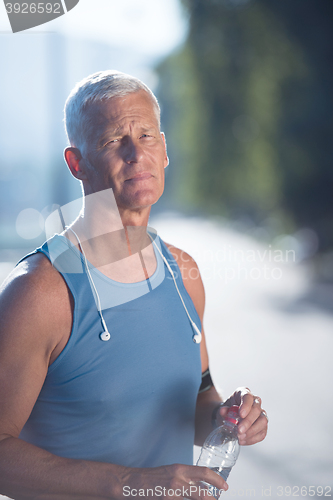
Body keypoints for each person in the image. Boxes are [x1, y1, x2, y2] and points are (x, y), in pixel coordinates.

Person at [0, 71, 268, 500]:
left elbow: (198, 397)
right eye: (112, 141)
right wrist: (132, 484)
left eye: (146, 136)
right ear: (77, 163)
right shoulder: (39, 293)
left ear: (164, 151)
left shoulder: (184, 271)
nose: (135, 153)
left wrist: (227, 417)